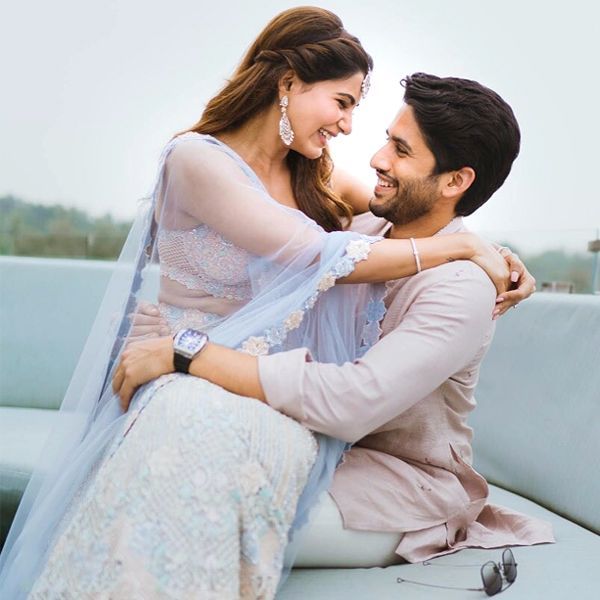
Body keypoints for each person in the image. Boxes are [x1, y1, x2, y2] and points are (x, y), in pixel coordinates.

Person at [0, 8, 522, 600]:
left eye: (396, 147)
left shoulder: (406, 247)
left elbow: (351, 385)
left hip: (371, 473)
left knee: (193, 454)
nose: (366, 147)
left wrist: (483, 252)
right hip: (244, 402)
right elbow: (327, 253)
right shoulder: (209, 164)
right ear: (288, 83)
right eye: (346, 104)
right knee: (180, 430)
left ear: (455, 180)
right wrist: (470, 245)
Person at [114, 73, 552, 572]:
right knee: (160, 459)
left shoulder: (462, 290)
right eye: (388, 138)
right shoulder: (362, 233)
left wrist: (187, 351)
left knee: (195, 512)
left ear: (456, 181)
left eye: (401, 150)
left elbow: (352, 402)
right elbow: (257, 213)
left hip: (393, 491)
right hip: (305, 448)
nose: (377, 158)